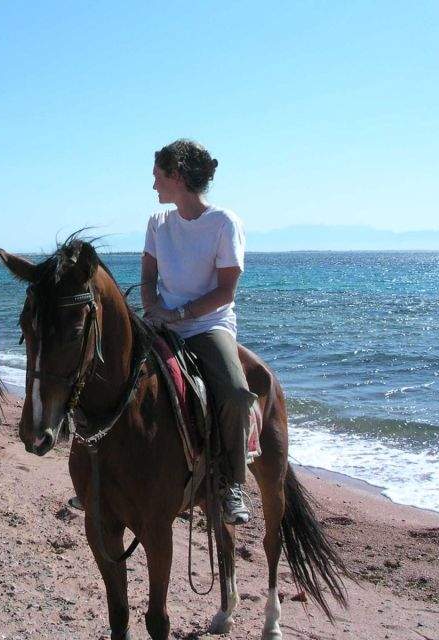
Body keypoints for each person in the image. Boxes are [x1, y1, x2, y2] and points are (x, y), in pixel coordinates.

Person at [141, 139, 256, 524]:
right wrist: (153, 310)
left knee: (236, 393)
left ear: (177, 176)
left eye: (158, 176)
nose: (153, 184)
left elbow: (225, 292)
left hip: (209, 326)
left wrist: (179, 314)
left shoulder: (224, 223)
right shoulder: (158, 223)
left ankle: (231, 482)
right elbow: (148, 278)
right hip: (160, 321)